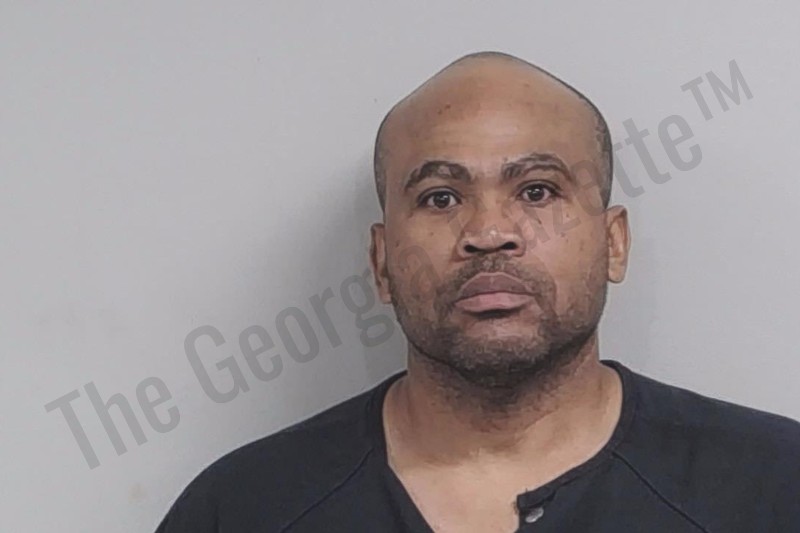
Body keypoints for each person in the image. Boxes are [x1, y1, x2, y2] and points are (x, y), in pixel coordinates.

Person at [155, 51, 800, 533]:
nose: (489, 233)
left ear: (614, 244)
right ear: (381, 263)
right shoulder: (242, 509)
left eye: (537, 191)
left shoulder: (772, 487)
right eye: (440, 198)